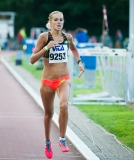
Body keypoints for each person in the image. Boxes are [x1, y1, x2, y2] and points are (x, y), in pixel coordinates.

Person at [30, 11, 84, 159]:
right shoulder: (44, 37)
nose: (59, 22)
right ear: (51, 22)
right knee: (48, 114)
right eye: (56, 20)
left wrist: (79, 62)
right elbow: (32, 60)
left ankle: (62, 139)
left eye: (61, 20)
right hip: (47, 81)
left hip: (63, 79)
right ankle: (47, 142)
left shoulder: (67, 37)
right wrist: (47, 48)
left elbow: (73, 48)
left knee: (63, 106)